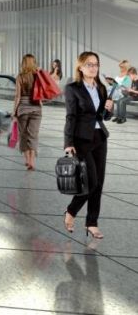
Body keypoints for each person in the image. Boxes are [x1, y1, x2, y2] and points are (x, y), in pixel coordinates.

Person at [63, 51, 113, 240]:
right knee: (90, 181)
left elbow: (103, 116)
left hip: (100, 136)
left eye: (96, 64)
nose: (93, 68)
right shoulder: (72, 88)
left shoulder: (100, 87)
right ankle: (71, 211)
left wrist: (110, 110)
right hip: (81, 139)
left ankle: (92, 223)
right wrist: (68, 143)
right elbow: (71, 117)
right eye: (89, 64)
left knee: (99, 183)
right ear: (81, 67)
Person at [12, 54, 43, 171]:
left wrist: (14, 111)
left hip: (23, 109)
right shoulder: (37, 75)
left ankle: (27, 160)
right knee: (33, 135)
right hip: (36, 108)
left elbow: (17, 96)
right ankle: (32, 161)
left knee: (23, 135)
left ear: (23, 63)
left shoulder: (20, 77)